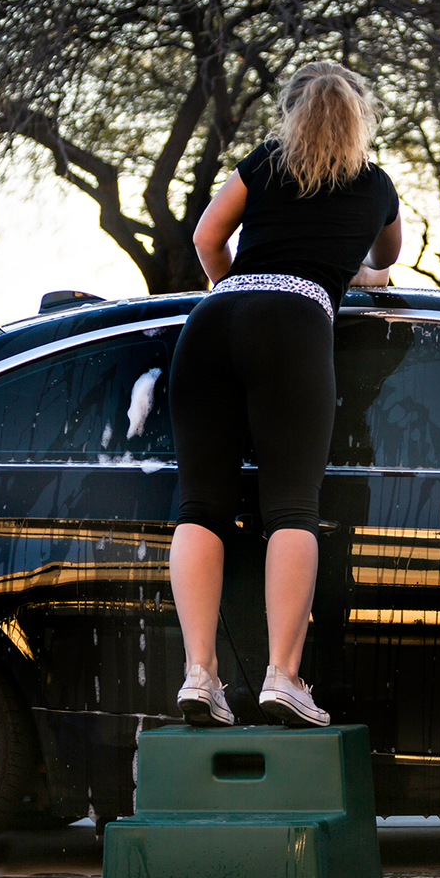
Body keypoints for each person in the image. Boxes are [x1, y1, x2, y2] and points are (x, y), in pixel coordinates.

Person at [169, 61, 402, 728]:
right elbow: (385, 262)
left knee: (200, 506)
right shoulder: (376, 185)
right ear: (362, 117)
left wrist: (238, 290)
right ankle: (283, 678)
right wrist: (347, 271)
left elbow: (207, 238)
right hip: (297, 327)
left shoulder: (264, 164)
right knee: (292, 508)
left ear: (291, 112)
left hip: (213, 325)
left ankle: (199, 676)